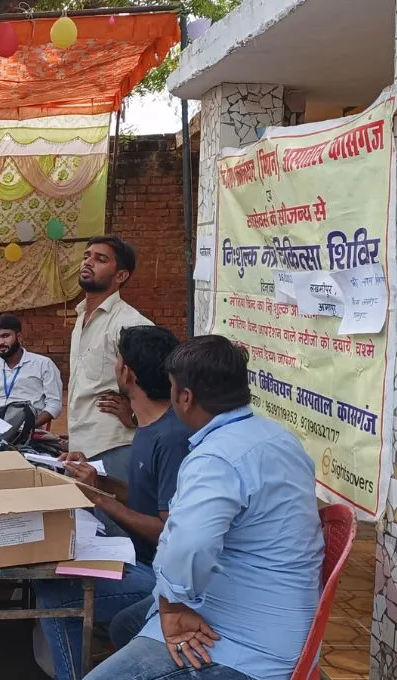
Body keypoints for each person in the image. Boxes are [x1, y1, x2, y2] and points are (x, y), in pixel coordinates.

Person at [85, 336, 324, 680]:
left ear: (185, 397)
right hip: (280, 611)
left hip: (246, 645)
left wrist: (172, 606)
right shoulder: (278, 437)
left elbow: (190, 544)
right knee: (127, 624)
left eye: (171, 388)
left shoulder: (215, 459)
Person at [34, 325, 190, 680]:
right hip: (138, 558)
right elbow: (145, 497)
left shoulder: (171, 437)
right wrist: (96, 480)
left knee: (54, 595)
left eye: (117, 359)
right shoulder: (149, 428)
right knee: (50, 576)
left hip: (161, 578)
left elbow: (170, 530)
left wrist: (101, 501)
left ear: (127, 374)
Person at [68, 235, 152, 482]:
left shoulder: (130, 323)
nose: (88, 262)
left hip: (113, 445)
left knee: (114, 517)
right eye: (87, 256)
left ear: (121, 276)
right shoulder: (81, 316)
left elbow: (159, 384)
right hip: (81, 444)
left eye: (100, 259)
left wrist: (135, 416)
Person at [0, 313, 63, 429]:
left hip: (27, 428)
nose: (0, 342)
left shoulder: (43, 364)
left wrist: (27, 427)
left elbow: (54, 405)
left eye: (6, 336)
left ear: (19, 337)